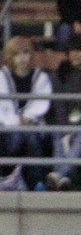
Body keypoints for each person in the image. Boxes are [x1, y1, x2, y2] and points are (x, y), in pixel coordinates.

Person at [46, 33, 81, 190]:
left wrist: (77, 126)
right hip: (63, 123)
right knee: (58, 135)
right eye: (72, 50)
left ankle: (59, 174)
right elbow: (58, 104)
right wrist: (66, 126)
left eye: (79, 50)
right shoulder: (60, 73)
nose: (75, 54)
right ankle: (63, 179)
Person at [0, 35, 52, 190]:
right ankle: (13, 178)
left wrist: (28, 117)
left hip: (33, 126)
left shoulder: (41, 77)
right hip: (8, 129)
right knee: (19, 138)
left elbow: (41, 103)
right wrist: (17, 121)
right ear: (10, 57)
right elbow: (3, 106)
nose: (22, 58)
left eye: (25, 53)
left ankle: (37, 184)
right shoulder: (2, 77)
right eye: (17, 54)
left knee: (31, 137)